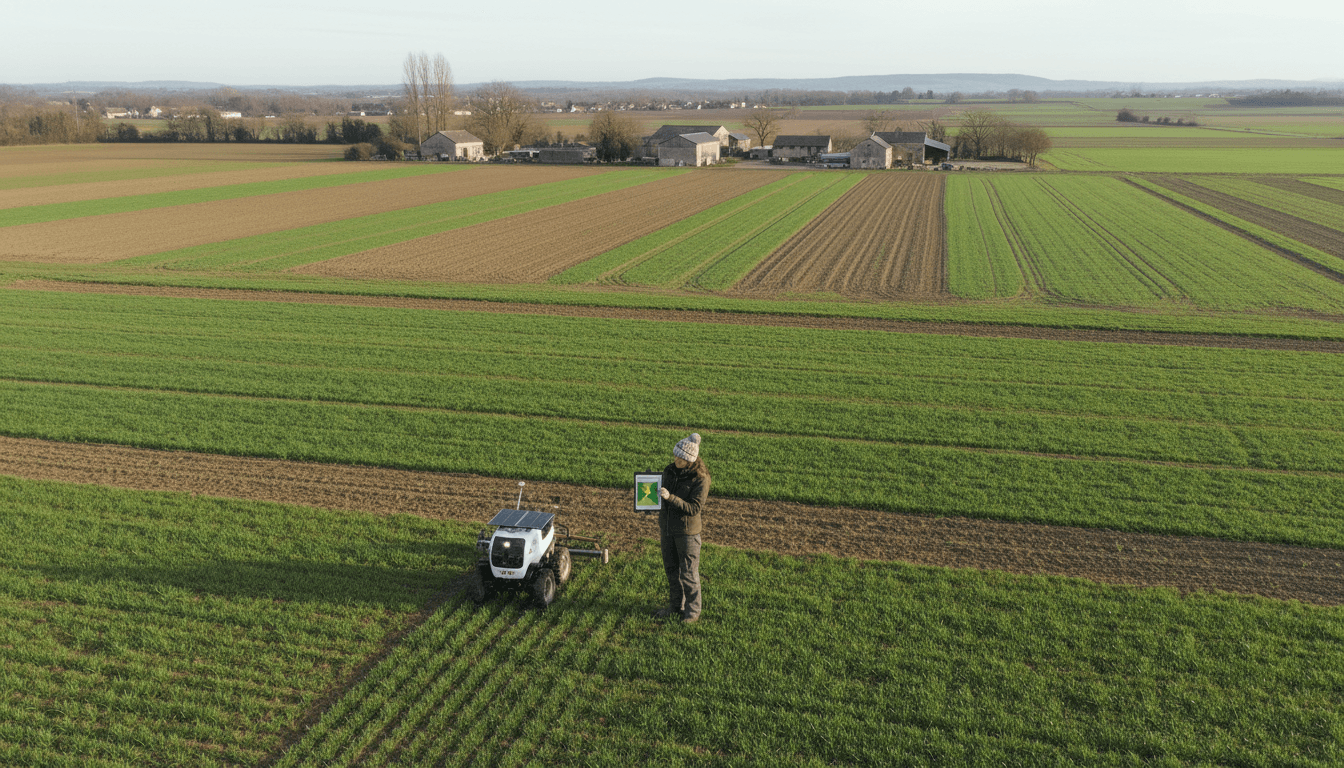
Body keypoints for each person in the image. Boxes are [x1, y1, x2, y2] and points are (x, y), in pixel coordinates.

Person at [653, 433, 710, 624]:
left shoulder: (701, 479)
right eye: (675, 455)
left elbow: (694, 508)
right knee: (671, 571)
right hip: (667, 529)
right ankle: (675, 607)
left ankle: (692, 613)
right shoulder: (669, 470)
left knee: (688, 572)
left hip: (687, 533)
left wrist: (670, 498)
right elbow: (657, 493)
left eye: (681, 458)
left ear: (690, 460)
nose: (676, 459)